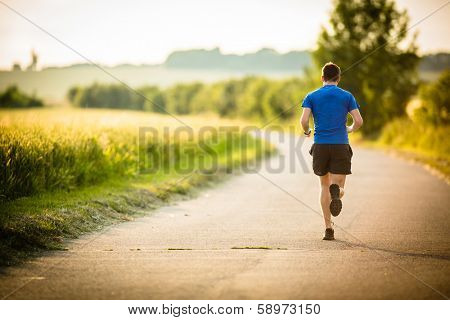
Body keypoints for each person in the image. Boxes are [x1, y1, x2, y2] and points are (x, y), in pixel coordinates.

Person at [300, 62, 363, 240]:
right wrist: (350, 129)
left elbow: (304, 120)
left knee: (323, 186)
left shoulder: (312, 96)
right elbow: (358, 121)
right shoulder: (347, 96)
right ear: (338, 78)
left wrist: (307, 131)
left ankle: (328, 229)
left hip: (320, 145)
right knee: (339, 186)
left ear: (322, 78)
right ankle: (338, 193)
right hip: (340, 145)